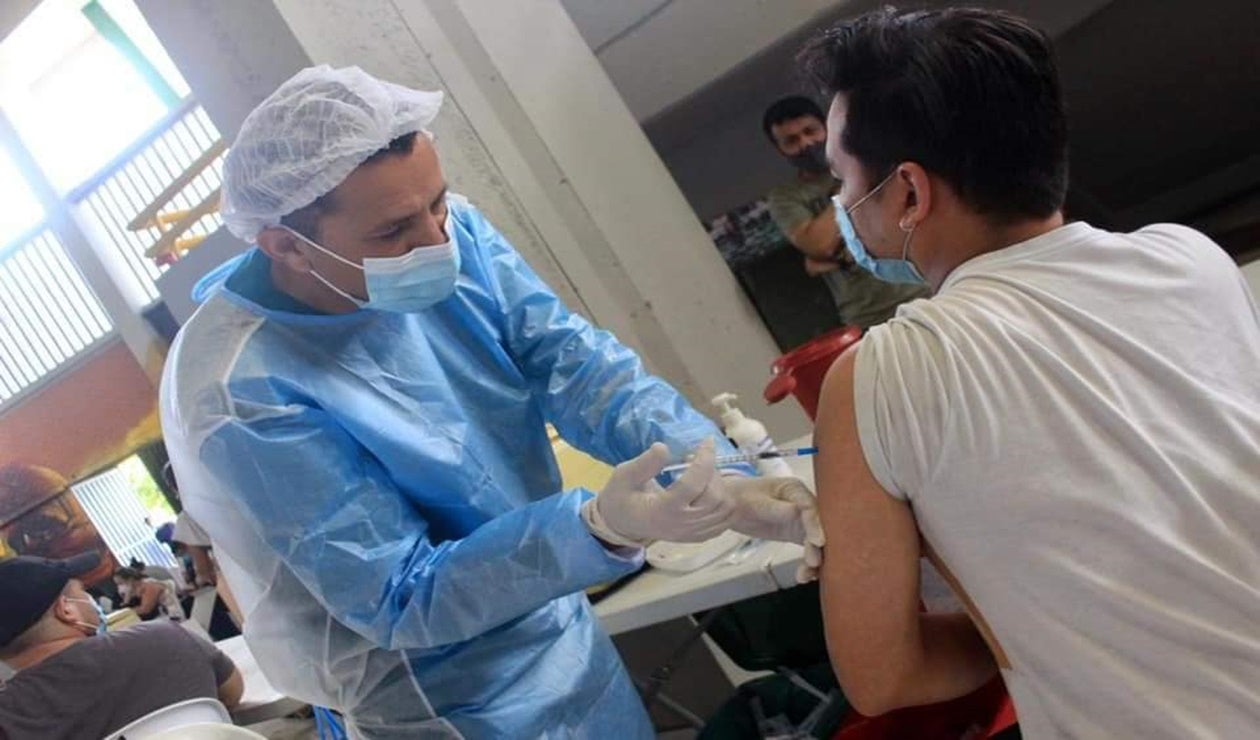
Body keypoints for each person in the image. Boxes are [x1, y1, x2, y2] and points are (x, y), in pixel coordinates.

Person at [160, 65, 823, 738]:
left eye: (438, 204)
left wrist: (715, 473)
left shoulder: (453, 233)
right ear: (286, 246)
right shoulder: (238, 389)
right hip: (433, 697)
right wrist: (597, 528)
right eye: (393, 234)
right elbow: (399, 595)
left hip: (550, 614)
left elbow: (578, 366)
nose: (437, 242)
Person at [800, 7, 1260, 737]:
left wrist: (1051, 622)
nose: (841, 209)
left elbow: (883, 676)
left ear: (910, 193)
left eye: (842, 180)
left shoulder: (878, 376)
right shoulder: (1191, 259)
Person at [0, 553, 243, 739]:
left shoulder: (9, 717)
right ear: (67, 609)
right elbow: (232, 693)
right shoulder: (165, 638)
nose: (90, 600)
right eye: (83, 592)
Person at [762, 96, 928, 329]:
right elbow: (819, 244)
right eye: (791, 140)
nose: (806, 143)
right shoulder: (785, 197)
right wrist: (852, 177)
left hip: (924, 288)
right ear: (780, 150)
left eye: (811, 131)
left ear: (827, 127)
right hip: (868, 317)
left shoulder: (872, 157)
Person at [113, 566, 185, 622]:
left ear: (130, 580)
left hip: (174, 617)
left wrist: (125, 611)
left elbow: (145, 609)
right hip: (163, 617)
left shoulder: (149, 585)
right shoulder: (137, 590)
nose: (119, 587)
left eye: (121, 583)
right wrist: (127, 599)